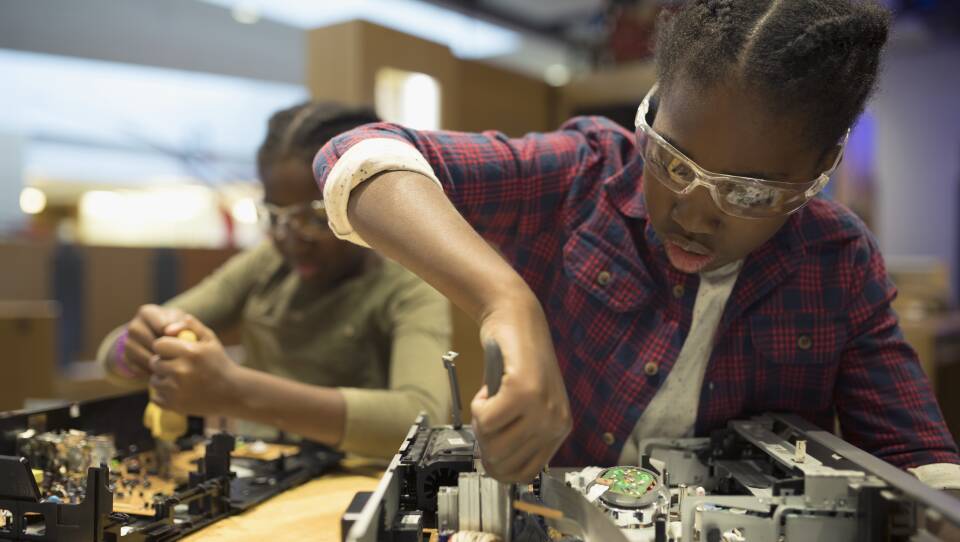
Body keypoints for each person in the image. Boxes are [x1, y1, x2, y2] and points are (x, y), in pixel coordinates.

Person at [311, 0, 960, 486]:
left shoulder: (840, 263)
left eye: (749, 194)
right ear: (652, 109)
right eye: (673, 163)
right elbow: (359, 156)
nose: (695, 216)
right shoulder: (583, 174)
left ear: (821, 169)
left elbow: (920, 464)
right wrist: (506, 300)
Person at [98, 103, 452, 459]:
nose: (290, 236)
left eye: (316, 216)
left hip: (356, 489)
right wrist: (135, 347)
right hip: (262, 474)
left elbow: (421, 421)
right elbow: (111, 355)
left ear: (371, 204)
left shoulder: (409, 283)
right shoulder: (267, 263)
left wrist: (235, 391)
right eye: (275, 215)